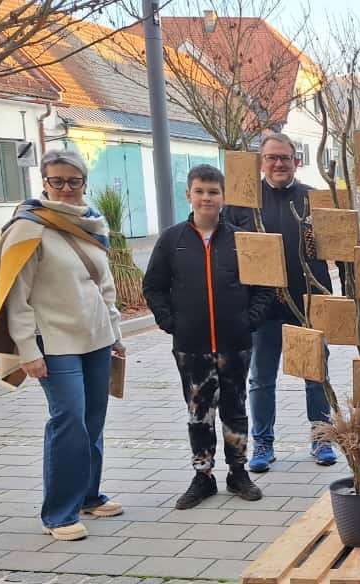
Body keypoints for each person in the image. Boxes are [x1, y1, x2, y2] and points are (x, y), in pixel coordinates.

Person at [0, 150, 124, 541]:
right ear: (43, 182)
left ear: (84, 183)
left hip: (95, 338)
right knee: (69, 420)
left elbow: (104, 285)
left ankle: (89, 497)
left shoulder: (93, 222)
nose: (65, 189)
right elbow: (15, 295)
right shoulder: (27, 228)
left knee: (93, 420)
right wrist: (27, 350)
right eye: (56, 181)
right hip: (54, 343)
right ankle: (59, 514)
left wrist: (115, 334)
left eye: (73, 181)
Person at [144, 165, 275, 509]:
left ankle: (238, 472)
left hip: (235, 344)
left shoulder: (240, 240)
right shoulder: (172, 240)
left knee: (235, 409)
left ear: (223, 197)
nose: (206, 198)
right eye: (200, 191)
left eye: (213, 192)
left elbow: (264, 287)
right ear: (188, 194)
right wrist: (170, 321)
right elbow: (153, 286)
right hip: (191, 347)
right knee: (198, 411)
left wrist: (249, 321)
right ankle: (203, 475)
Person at [225, 133, 337, 470]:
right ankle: (263, 444)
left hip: (307, 302)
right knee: (261, 377)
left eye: (284, 158)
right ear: (261, 162)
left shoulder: (314, 200)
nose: (278, 164)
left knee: (315, 374)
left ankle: (321, 440)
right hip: (262, 306)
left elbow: (340, 246)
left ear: (295, 161)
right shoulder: (243, 202)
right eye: (271, 158)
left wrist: (346, 294)